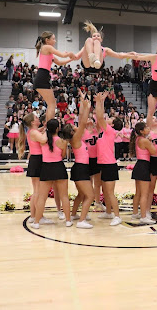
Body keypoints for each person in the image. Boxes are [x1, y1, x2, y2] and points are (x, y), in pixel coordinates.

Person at [32, 119, 70, 229]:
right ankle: (68, 221)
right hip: (58, 167)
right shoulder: (62, 141)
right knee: (64, 196)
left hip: (46, 168)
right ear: (58, 128)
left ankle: (36, 222)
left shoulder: (43, 140)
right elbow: (62, 156)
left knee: (42, 197)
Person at [33, 31, 75, 123]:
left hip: (43, 76)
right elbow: (62, 55)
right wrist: (70, 54)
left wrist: (71, 59)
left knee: (51, 104)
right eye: (53, 39)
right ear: (47, 40)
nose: (55, 41)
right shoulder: (47, 47)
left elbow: (60, 62)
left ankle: (47, 125)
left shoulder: (48, 51)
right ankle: (49, 125)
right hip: (42, 76)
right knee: (52, 104)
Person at [17, 113, 50, 226]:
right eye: (36, 118)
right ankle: (39, 217)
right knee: (38, 191)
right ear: (32, 122)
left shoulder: (31, 131)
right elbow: (43, 140)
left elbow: (38, 132)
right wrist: (47, 130)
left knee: (36, 191)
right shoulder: (35, 133)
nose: (38, 118)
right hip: (38, 160)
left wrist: (44, 128)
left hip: (35, 160)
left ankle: (33, 216)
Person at [94, 92, 122, 226]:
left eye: (110, 119)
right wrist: (100, 102)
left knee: (110, 193)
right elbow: (99, 118)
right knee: (105, 191)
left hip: (110, 164)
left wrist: (100, 102)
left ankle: (117, 216)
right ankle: (109, 212)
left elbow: (99, 117)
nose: (108, 119)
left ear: (113, 124)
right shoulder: (104, 132)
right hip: (103, 164)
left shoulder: (110, 131)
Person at [67, 95, 94, 229]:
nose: (76, 127)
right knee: (90, 195)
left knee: (82, 194)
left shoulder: (76, 138)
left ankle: (73, 215)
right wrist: (86, 107)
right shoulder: (76, 138)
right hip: (81, 168)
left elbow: (81, 122)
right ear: (72, 132)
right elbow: (83, 122)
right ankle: (82, 220)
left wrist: (83, 105)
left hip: (79, 168)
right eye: (74, 126)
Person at [130, 122, 157, 224]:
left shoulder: (138, 139)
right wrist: (151, 142)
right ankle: (143, 216)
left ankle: (135, 212)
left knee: (138, 193)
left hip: (139, 165)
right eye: (146, 127)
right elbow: (154, 151)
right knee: (144, 194)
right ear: (141, 131)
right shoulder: (145, 140)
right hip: (144, 166)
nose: (148, 128)